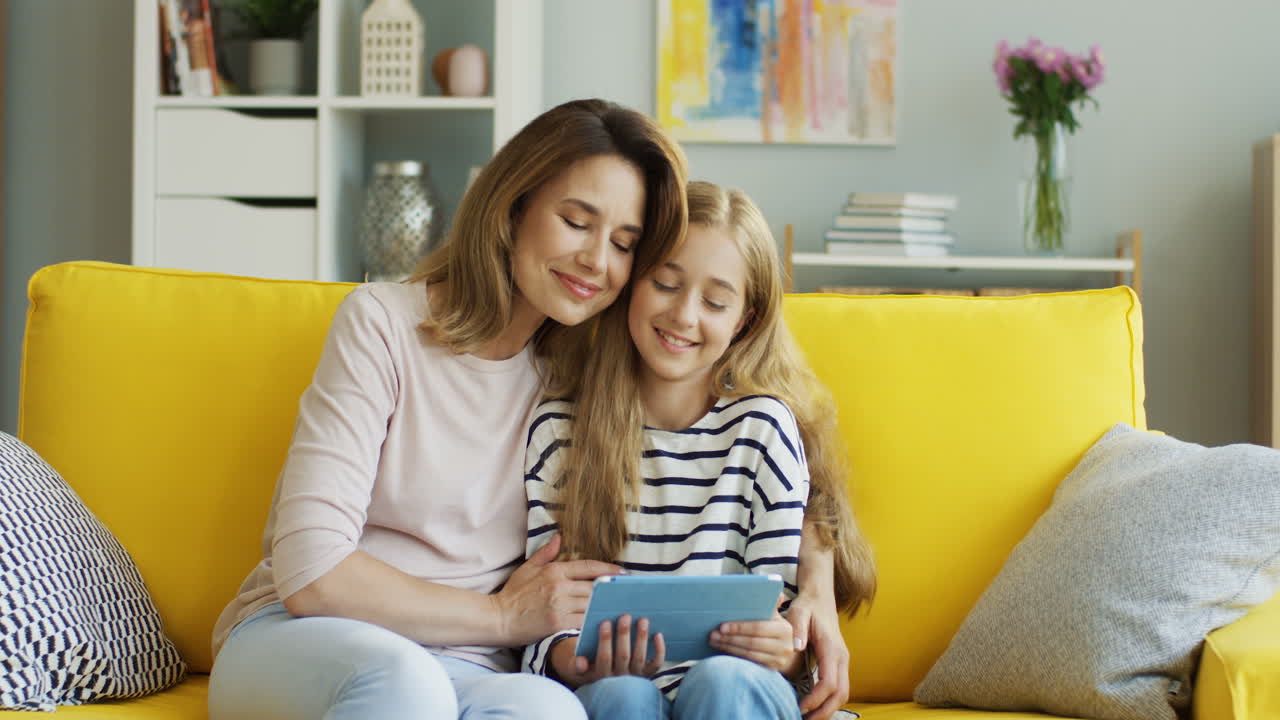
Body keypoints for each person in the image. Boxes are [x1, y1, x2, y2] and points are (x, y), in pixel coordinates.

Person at [207, 98, 689, 720]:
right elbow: (313, 572)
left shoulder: (581, 381)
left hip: (468, 665)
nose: (598, 261)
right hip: (302, 640)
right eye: (576, 221)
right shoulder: (382, 323)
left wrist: (812, 580)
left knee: (551, 713)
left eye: (624, 244)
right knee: (405, 682)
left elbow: (752, 421)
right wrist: (499, 615)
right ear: (514, 207)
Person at [521, 181, 877, 720]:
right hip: (611, 695)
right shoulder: (559, 432)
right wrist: (581, 661)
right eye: (665, 283)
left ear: (744, 320)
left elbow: (779, 614)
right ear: (630, 284)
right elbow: (544, 616)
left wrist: (782, 648)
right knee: (622, 695)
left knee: (723, 682)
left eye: (714, 301)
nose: (685, 316)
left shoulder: (762, 430)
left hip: (736, 694)